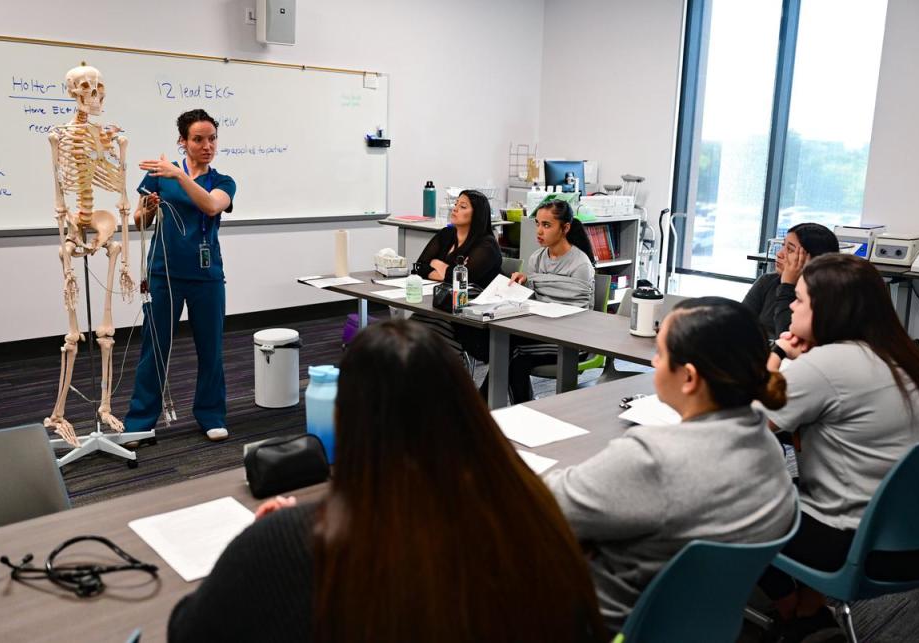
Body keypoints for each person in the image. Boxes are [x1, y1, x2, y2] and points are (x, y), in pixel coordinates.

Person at [168, 320, 607, 643]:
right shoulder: (533, 513)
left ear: (347, 422)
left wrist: (264, 539)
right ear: (465, 408)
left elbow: (188, 631)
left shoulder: (295, 545)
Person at [545, 297, 797, 633]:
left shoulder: (652, 458)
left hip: (601, 624)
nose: (653, 361)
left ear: (689, 378)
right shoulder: (766, 444)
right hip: (702, 627)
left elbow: (543, 507)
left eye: (661, 354)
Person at [758, 253, 919, 640]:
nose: (790, 303)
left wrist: (776, 354)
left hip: (852, 547)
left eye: (800, 299)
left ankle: (792, 615)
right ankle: (811, 611)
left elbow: (741, 424)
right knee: (794, 488)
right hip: (917, 543)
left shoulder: (826, 365)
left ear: (828, 309)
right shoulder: (904, 359)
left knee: (726, 500)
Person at [123, 109, 236, 442]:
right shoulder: (159, 176)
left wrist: (178, 176)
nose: (207, 145)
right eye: (198, 139)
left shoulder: (222, 181)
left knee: (210, 348)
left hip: (206, 276)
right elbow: (139, 222)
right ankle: (141, 420)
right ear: (183, 141)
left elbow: (211, 206)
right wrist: (147, 209)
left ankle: (211, 414)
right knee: (154, 348)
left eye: (212, 138)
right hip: (163, 273)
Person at [484, 199, 596, 403]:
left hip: (571, 340)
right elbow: (536, 302)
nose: (539, 231)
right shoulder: (536, 258)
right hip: (541, 332)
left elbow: (578, 316)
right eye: (537, 223)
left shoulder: (580, 264)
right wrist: (522, 288)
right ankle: (507, 408)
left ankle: (494, 408)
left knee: (511, 352)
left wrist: (535, 283)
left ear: (565, 228)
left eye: (546, 225)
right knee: (502, 345)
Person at [411, 189, 502, 354]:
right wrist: (445, 272)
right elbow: (420, 267)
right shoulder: (447, 234)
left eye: (463, 206)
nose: (455, 209)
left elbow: (461, 279)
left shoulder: (487, 245)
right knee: (408, 331)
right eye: (455, 204)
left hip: (467, 317)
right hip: (440, 305)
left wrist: (437, 263)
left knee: (423, 339)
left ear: (477, 214)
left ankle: (446, 376)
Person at [742, 222, 839, 339]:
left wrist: (787, 285)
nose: (779, 254)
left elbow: (789, 340)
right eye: (783, 246)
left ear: (813, 259)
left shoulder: (825, 297)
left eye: (790, 250)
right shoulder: (767, 281)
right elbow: (739, 323)